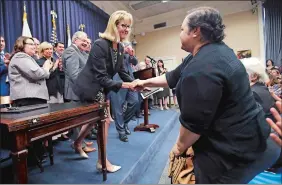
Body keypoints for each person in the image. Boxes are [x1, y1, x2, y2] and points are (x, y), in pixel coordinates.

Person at [134, 7, 280, 183]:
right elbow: (171, 76)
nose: (179, 34)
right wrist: (143, 83)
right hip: (250, 138)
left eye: (181, 29)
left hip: (239, 152)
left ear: (195, 31)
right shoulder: (211, 51)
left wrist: (177, 148)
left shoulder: (202, 68)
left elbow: (193, 126)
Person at [73, 10, 136, 173]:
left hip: (102, 87)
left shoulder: (121, 47)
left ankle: (77, 143)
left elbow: (122, 72)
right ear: (114, 25)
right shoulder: (100, 44)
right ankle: (102, 161)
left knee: (94, 121)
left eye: (129, 27)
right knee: (105, 120)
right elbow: (101, 77)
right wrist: (125, 86)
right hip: (89, 87)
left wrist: (136, 83)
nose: (126, 30)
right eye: (123, 25)